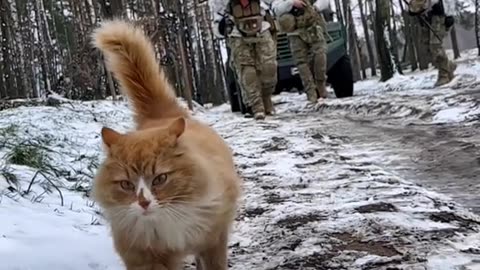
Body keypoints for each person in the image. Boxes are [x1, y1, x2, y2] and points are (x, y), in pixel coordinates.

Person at [210, 0, 278, 120]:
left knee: (269, 67)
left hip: (262, 26)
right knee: (247, 72)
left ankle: (266, 97)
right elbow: (217, 18)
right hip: (237, 32)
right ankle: (257, 107)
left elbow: (274, 4)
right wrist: (222, 27)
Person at [272, 0, 330, 105]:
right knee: (301, 63)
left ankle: (320, 85)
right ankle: (311, 92)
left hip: (313, 27)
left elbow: (325, 1)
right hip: (294, 31)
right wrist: (292, 4)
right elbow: (276, 9)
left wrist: (315, 8)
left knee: (320, 54)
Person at [408, 0, 456, 86]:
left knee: (435, 46)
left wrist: (450, 14)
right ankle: (448, 66)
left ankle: (444, 75)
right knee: (427, 48)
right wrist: (412, 8)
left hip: (438, 16)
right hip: (425, 18)